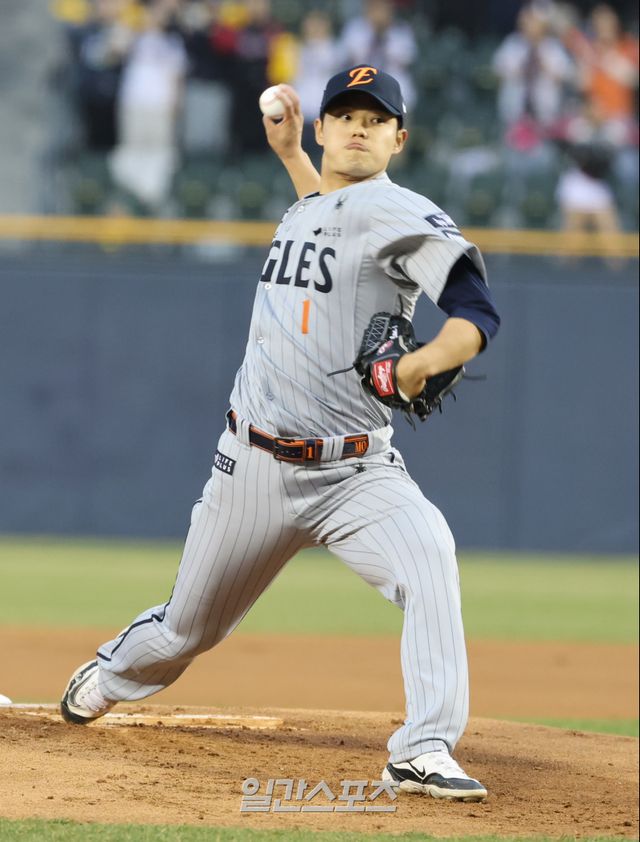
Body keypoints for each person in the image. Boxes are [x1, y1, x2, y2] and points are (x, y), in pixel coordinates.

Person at [60, 65, 500, 802]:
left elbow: (476, 312)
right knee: (187, 630)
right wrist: (292, 154)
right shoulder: (309, 205)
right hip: (254, 466)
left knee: (430, 556)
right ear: (325, 128)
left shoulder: (404, 215)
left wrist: (421, 363)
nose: (359, 128)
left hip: (356, 472)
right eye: (346, 115)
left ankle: (423, 748)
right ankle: (112, 674)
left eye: (376, 119)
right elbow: (330, 215)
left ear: (398, 139)